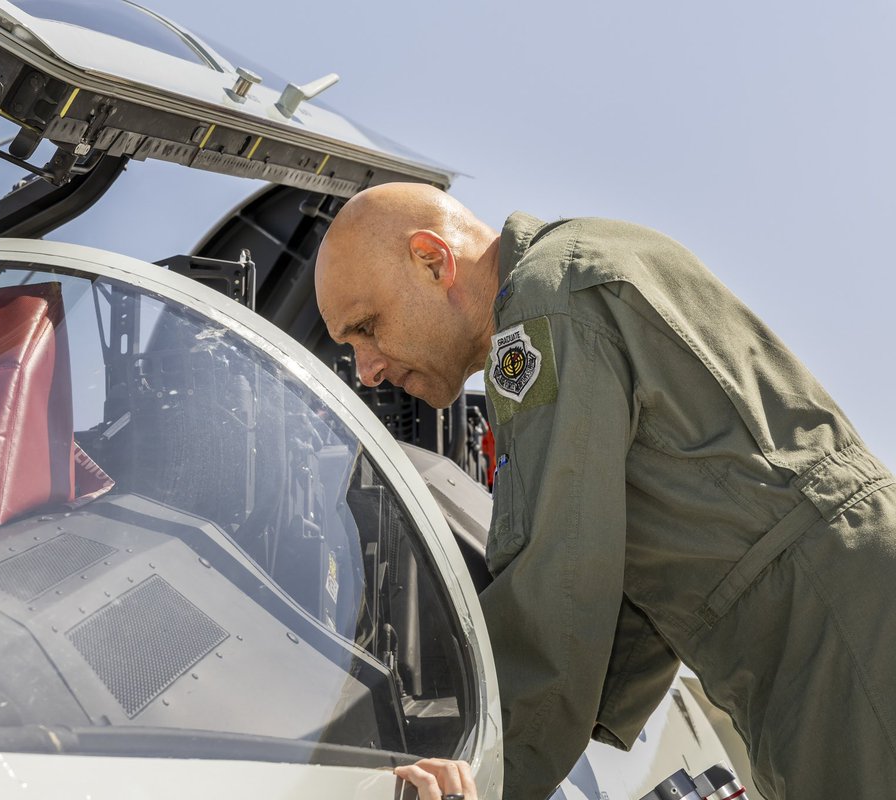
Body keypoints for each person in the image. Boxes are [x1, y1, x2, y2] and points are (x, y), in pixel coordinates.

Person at [314, 183, 896, 799]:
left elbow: (563, 574)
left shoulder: (543, 311)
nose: (368, 369)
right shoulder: (578, 266)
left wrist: (480, 769)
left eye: (367, 328)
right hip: (820, 620)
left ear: (433, 261)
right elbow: (637, 564)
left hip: (828, 633)